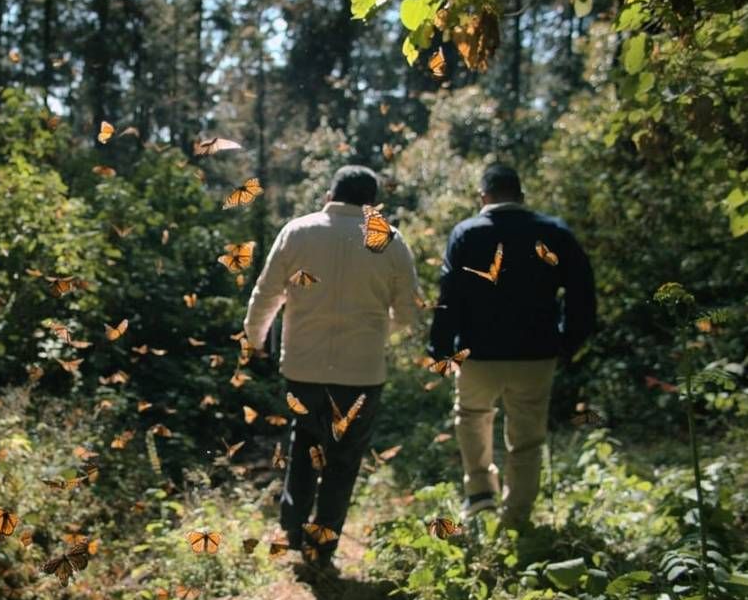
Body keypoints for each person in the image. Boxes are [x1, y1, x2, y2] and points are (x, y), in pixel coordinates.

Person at [245, 165, 419, 567]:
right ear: (372, 205)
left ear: (329, 195)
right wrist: (377, 332)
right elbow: (410, 315)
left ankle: (292, 528)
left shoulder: (298, 231)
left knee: (304, 444)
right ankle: (322, 546)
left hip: (302, 369)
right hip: (361, 373)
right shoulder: (390, 241)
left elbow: (266, 293)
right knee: (343, 460)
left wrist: (254, 340)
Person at [428, 163, 595, 528]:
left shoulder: (466, 234)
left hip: (477, 354)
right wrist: (567, 341)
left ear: (482, 196)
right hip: (536, 353)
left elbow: (449, 298)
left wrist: (440, 349)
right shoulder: (554, 232)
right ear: (521, 195)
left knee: (471, 418)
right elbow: (582, 293)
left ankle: (480, 497)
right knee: (527, 439)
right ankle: (516, 517)